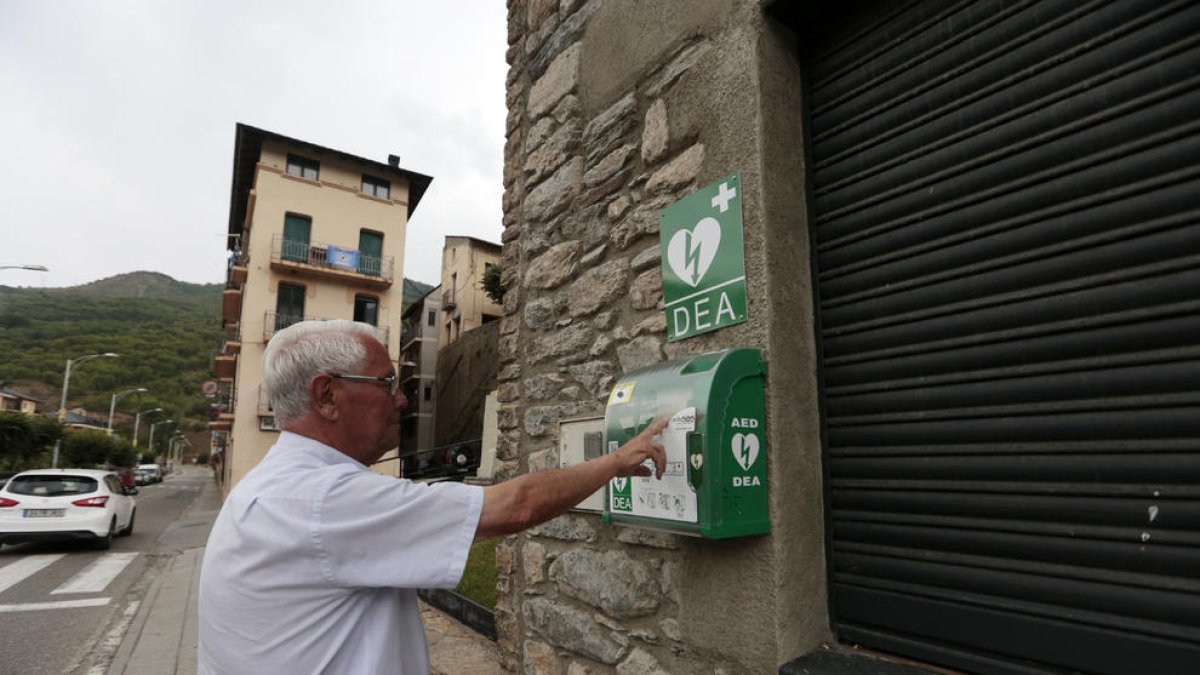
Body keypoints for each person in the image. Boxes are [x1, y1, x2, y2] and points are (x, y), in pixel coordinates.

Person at [197, 320, 667, 674]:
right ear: (327, 396)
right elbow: (515, 506)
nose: (402, 399)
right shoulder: (324, 500)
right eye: (387, 384)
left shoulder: (265, 487)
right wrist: (616, 461)